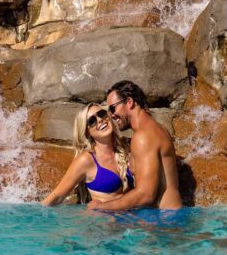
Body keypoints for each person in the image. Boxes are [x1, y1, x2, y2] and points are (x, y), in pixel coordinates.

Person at [88, 80, 182, 211]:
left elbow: (145, 195)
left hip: (164, 222)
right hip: (167, 217)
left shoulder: (143, 137)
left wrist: (101, 206)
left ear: (129, 102)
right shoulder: (157, 129)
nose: (111, 115)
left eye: (112, 108)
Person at [41, 103, 133, 206]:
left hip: (134, 217)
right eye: (92, 121)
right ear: (87, 132)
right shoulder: (86, 160)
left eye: (102, 114)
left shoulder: (128, 145)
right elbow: (55, 197)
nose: (100, 120)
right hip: (106, 220)